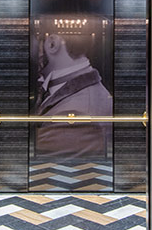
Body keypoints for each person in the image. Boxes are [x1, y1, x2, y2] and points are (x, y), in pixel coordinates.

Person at [31, 16, 114, 160]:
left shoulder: (75, 113)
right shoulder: (85, 90)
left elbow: (52, 164)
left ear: (52, 44)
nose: (32, 51)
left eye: (36, 41)